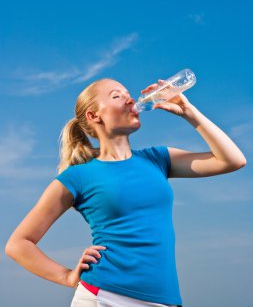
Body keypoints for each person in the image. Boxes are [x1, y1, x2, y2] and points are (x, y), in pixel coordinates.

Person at [5, 77, 247, 307]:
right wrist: (67, 277)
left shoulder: (157, 159)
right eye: (117, 96)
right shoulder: (76, 177)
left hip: (164, 298)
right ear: (94, 115)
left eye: (129, 95)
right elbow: (18, 244)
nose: (131, 100)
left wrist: (189, 112)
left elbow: (232, 160)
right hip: (107, 297)